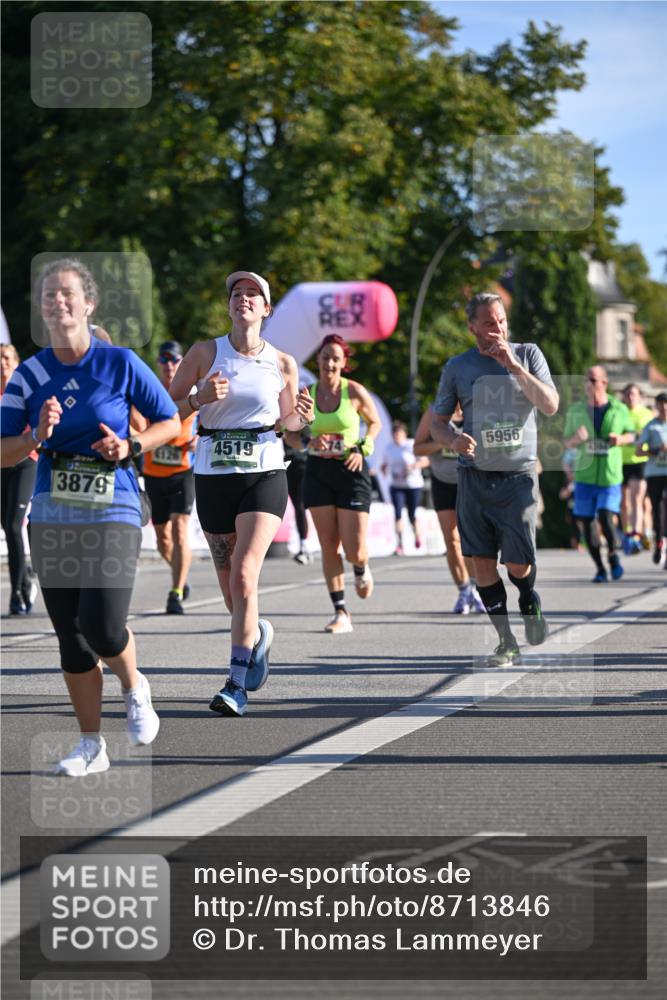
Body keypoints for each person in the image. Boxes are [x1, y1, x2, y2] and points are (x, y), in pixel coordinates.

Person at [0, 258, 180, 775]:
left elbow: (170, 420)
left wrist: (130, 444)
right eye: (47, 296)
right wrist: (35, 436)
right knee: (70, 636)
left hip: (114, 503)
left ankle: (134, 685)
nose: (56, 301)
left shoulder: (120, 362)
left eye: (66, 293)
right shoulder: (30, 374)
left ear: (89, 303)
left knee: (101, 627)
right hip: (54, 507)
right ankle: (90, 745)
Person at [168, 270, 313, 716]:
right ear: (229, 305)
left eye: (253, 294)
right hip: (213, 474)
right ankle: (257, 633)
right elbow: (167, 410)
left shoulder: (282, 362)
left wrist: (301, 420)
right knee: (232, 588)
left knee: (246, 575)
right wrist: (198, 398)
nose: (244, 299)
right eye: (237, 293)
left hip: (264, 473)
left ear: (266, 309)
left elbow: (289, 427)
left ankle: (235, 684)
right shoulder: (204, 352)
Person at [432, 292, 559, 667]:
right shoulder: (458, 367)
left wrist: (515, 367)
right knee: (482, 563)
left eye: (501, 321)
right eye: (489, 323)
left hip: (518, 476)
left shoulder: (529, 353)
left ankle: (528, 598)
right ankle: (506, 641)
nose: (497, 329)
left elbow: (550, 404)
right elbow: (438, 424)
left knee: (518, 564)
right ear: (472, 326)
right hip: (473, 476)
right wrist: (454, 439)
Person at [302, 334, 382, 634]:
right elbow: (291, 431)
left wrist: (363, 447)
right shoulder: (306, 394)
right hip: (318, 471)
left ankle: (360, 568)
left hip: (351, 469)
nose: (330, 363)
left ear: (343, 362)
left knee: (354, 549)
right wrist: (310, 439)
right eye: (325, 357)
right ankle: (340, 611)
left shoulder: (354, 392)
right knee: (328, 545)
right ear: (318, 361)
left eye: (336, 358)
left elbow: (375, 423)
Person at [563, 365, 635, 583]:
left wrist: (620, 440)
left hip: (609, 475)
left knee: (605, 514)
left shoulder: (618, 408)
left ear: (604, 382)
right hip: (585, 476)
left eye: (594, 380)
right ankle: (600, 569)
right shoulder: (576, 410)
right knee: (587, 523)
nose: (589, 384)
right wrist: (576, 438)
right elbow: (566, 442)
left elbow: (632, 434)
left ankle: (613, 556)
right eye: (587, 379)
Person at [142, 340, 197, 614]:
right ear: (159, 363)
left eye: (175, 360)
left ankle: (175, 592)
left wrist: (199, 437)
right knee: (163, 539)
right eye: (164, 360)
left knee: (179, 529)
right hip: (153, 473)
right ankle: (181, 574)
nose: (170, 365)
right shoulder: (150, 391)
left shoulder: (192, 391)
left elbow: (212, 417)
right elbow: (136, 421)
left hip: (182, 472)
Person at [413, 404, 484, 613]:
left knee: (471, 538)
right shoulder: (435, 411)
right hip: (443, 481)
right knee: (452, 541)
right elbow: (417, 448)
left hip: (471, 480)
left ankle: (477, 588)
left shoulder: (476, 407)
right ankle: (464, 591)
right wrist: (446, 442)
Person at [1, 344, 38, 614]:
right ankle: (25, 576)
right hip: (1, 464)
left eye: (6, 358)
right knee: (6, 525)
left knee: (14, 525)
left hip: (26, 463)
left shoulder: (26, 392)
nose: (2, 363)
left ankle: (17, 595)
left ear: (16, 363)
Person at [381, 420, 427, 554]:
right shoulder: (388, 448)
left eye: (399, 434)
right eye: (394, 434)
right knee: (397, 514)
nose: (396, 437)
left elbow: (425, 461)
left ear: (404, 434)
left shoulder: (411, 445)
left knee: (412, 515)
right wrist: (384, 469)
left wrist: (413, 466)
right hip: (396, 485)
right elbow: (384, 464)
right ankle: (399, 544)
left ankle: (417, 536)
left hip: (413, 485)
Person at [620, 383, 653, 554]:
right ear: (624, 397)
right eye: (628, 394)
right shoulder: (619, 412)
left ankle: (636, 535)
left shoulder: (646, 415)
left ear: (639, 396)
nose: (631, 397)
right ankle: (626, 533)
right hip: (620, 461)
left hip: (640, 461)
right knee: (623, 503)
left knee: (637, 500)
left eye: (634, 394)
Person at [635, 392, 667, 566]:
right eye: (661, 404)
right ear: (656, 406)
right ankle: (659, 541)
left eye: (666, 404)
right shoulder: (651, 426)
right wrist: (656, 451)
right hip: (655, 473)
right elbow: (638, 451)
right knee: (657, 508)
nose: (664, 408)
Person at [283, 428, 311, 564]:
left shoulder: (303, 419)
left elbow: (307, 441)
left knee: (300, 506)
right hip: (284, 466)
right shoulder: (278, 417)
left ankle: (303, 546)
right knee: (294, 507)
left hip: (301, 465)